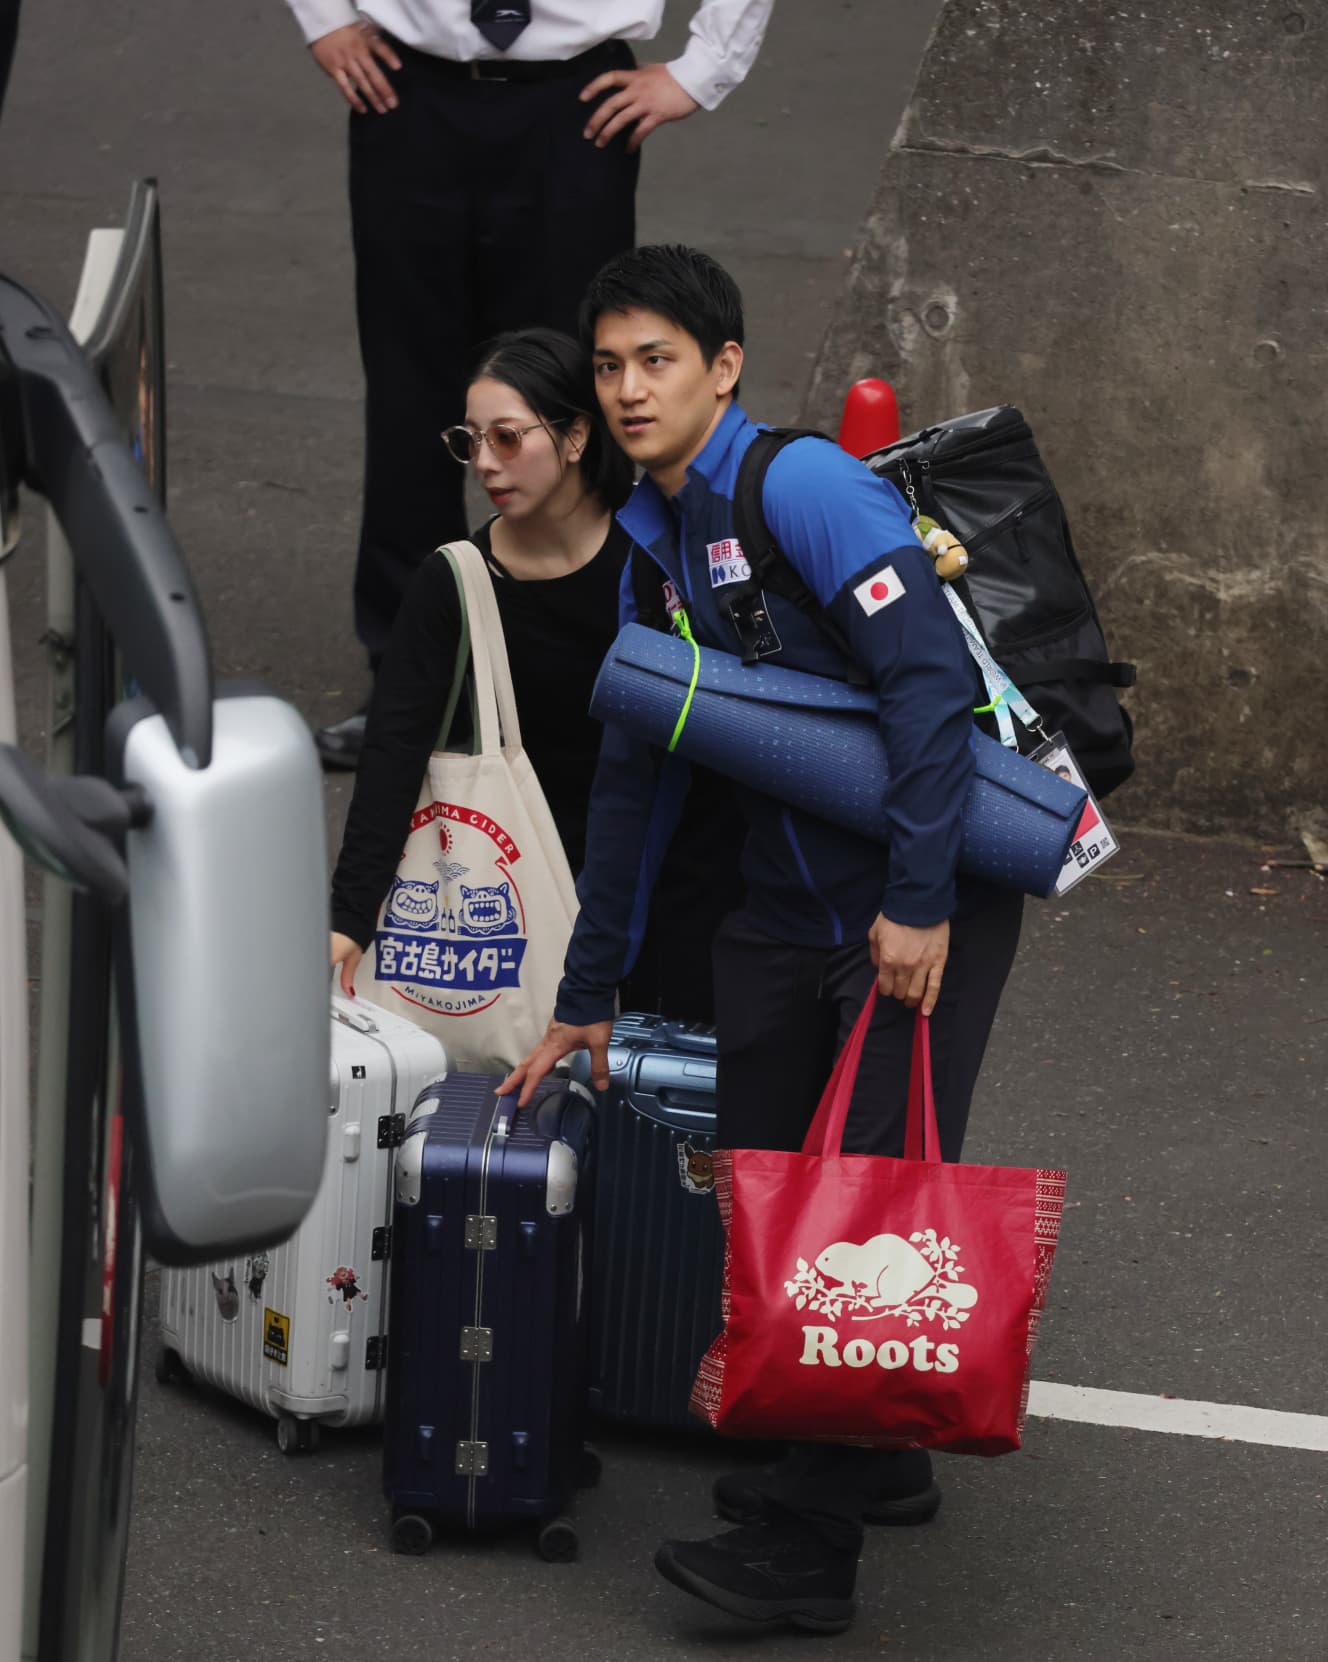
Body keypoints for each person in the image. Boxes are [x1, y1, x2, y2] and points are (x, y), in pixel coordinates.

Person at [500, 247, 1026, 1634]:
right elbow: (634, 776)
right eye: (608, 366)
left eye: (655, 360)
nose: (627, 389)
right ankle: (877, 1457)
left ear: (722, 367)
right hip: (782, 919)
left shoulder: (805, 489)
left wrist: (917, 901)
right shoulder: (654, 539)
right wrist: (588, 992)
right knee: (775, 1202)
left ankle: (804, 1552)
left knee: (852, 1216)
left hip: (910, 909)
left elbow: (929, 689)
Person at [281, 0, 775, 768]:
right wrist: (324, 17)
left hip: (576, 105)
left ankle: (580, 668)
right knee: (410, 396)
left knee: (568, 398)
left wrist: (705, 67)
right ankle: (416, 681)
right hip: (407, 89)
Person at [329, 326, 730, 1022]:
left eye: (507, 438)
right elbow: (392, 755)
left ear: (575, 437)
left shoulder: (658, 556)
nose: (485, 463)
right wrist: (349, 918)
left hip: (667, 888)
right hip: (513, 896)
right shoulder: (455, 583)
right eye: (471, 441)